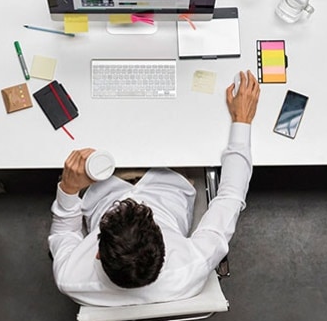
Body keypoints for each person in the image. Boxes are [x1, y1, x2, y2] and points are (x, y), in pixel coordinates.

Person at [48, 70, 261, 306]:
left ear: (97, 253)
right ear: (164, 247)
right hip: (169, 176)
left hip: (100, 182)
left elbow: (63, 234)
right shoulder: (193, 264)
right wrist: (242, 121)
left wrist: (68, 189)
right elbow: (230, 196)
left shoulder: (71, 277)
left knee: (92, 108)